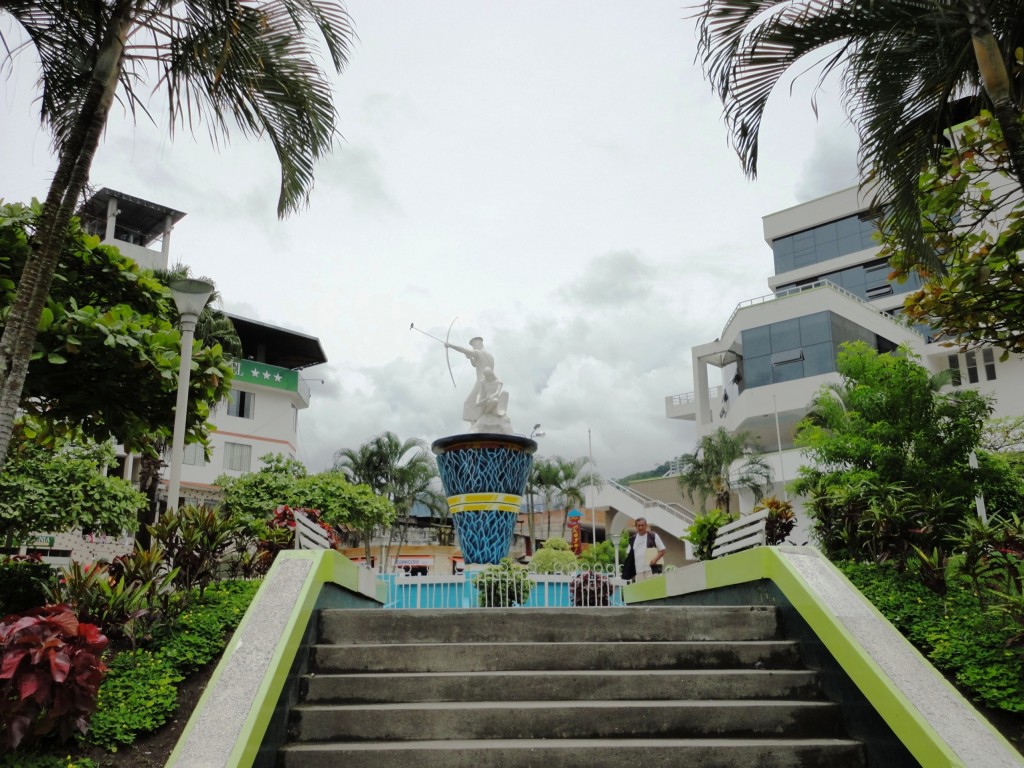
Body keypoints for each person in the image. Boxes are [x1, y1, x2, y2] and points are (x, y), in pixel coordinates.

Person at [445, 336, 496, 424]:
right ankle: (481, 422)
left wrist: (449, 345)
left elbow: (462, 349)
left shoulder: (477, 352)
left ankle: (475, 425)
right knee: (482, 404)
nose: (473, 348)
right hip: (490, 383)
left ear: (479, 344)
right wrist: (471, 358)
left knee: (468, 403)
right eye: (473, 347)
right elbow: (476, 365)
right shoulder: (490, 356)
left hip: (481, 382)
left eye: (474, 346)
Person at [621, 517, 666, 582]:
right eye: (638, 525)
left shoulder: (653, 536)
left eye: (642, 525)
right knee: (641, 591)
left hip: (651, 569)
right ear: (636, 527)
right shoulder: (633, 539)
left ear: (646, 526)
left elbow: (662, 550)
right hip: (639, 571)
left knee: (652, 589)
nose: (640, 527)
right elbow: (629, 554)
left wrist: (655, 560)